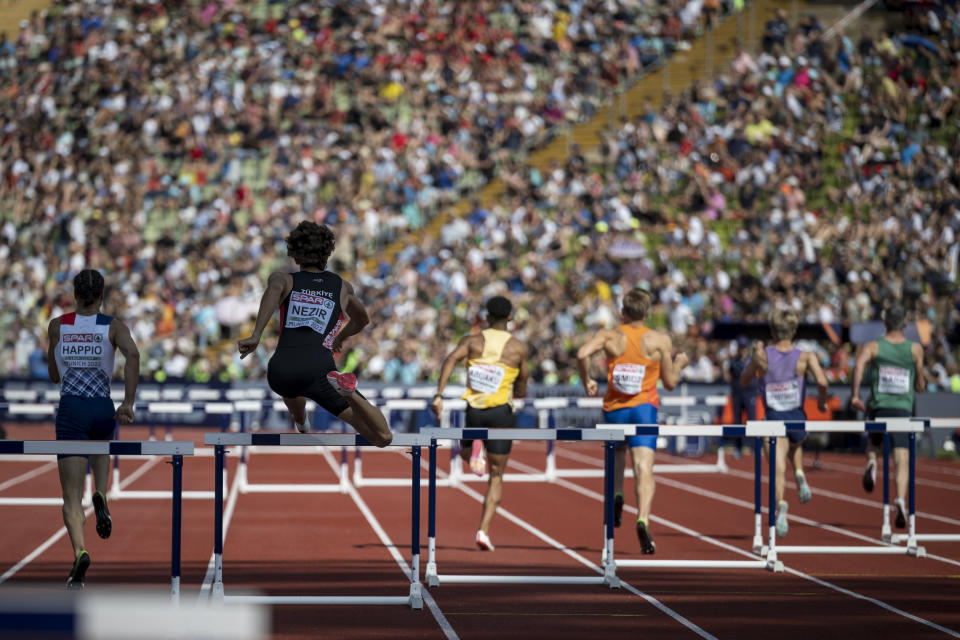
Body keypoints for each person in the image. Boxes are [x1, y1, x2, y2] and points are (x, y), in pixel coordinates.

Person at [238, 221, 392, 447]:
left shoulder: (284, 279)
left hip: (282, 368)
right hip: (320, 369)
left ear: (295, 256)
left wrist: (256, 334)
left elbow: (273, 290)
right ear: (327, 256)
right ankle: (348, 393)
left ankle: (300, 421)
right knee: (382, 438)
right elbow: (362, 320)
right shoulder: (342, 287)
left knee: (290, 390)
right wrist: (340, 336)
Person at [46, 269, 140, 589]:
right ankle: (101, 492)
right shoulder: (113, 326)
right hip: (101, 406)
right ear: (102, 296)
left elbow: (55, 376)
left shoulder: (58, 325)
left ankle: (80, 551)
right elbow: (134, 355)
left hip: (71, 408)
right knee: (101, 439)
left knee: (71, 496)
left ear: (74, 294)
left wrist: (59, 350)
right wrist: (127, 403)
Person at [576, 289, 688, 555]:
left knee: (617, 457)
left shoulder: (610, 335)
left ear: (622, 312)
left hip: (615, 409)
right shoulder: (660, 340)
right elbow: (670, 383)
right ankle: (643, 518)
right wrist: (680, 363)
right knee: (643, 466)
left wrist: (587, 381)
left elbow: (581, 355)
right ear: (647, 314)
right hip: (644, 410)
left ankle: (617, 494)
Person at [431, 296, 529, 551]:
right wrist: (519, 391)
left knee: (466, 451)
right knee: (496, 476)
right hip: (501, 414)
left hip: (474, 411)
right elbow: (523, 382)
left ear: (486, 318)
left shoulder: (472, 341)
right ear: (510, 318)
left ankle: (474, 450)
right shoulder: (518, 347)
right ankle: (483, 531)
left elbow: (450, 359)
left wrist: (439, 395)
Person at [741, 309, 828, 538]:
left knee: (778, 467)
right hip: (796, 416)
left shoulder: (763, 355)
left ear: (772, 330)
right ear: (794, 330)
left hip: (773, 418)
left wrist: (754, 359)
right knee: (794, 445)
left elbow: (744, 380)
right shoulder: (806, 356)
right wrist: (821, 402)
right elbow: (822, 381)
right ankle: (799, 473)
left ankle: (781, 504)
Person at [851, 303, 925, 528]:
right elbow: (920, 385)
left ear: (884, 323)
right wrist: (917, 381)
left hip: (878, 407)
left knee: (873, 446)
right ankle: (900, 499)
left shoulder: (873, 346)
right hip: (902, 409)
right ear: (905, 323)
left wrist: (855, 395)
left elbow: (859, 365)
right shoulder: (915, 349)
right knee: (901, 456)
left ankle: (872, 463)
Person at [724, 336, 758, 455]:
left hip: (750, 393)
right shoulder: (733, 362)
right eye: (741, 347)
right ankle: (738, 447)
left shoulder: (753, 360)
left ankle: (754, 447)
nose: (742, 350)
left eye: (744, 347)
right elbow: (728, 375)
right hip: (738, 393)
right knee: (737, 421)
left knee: (752, 419)